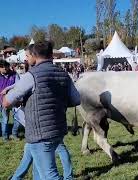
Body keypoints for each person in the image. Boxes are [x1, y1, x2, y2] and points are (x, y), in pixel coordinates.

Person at [3, 41, 80, 179]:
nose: (27, 58)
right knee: (38, 173)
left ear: (34, 55)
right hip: (58, 129)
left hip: (40, 133)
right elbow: (76, 100)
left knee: (49, 175)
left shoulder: (31, 76)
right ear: (51, 54)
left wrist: (8, 99)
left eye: (28, 55)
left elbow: (8, 101)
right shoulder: (64, 74)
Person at [0, 59, 21, 141]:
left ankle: (14, 134)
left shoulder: (14, 74)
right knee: (5, 119)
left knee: (18, 118)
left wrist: (7, 88)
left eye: (6, 67)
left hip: (14, 100)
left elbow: (19, 84)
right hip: (3, 101)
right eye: (3, 67)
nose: (5, 69)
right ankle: (5, 137)